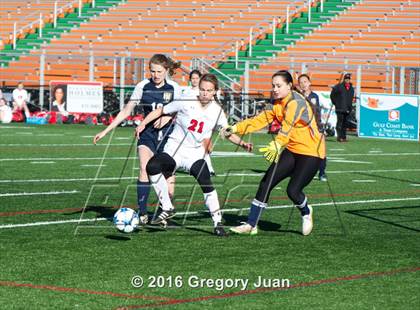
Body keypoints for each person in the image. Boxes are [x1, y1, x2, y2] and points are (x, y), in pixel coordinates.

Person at [135, 73, 253, 237]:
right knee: (152, 166)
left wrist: (243, 144)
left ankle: (217, 223)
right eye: (202, 89)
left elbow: (227, 132)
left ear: (215, 92)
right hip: (175, 149)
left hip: (195, 153)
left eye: (209, 90)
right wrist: (143, 123)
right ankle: (167, 207)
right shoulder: (186, 100)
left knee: (206, 181)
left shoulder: (217, 111)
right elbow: (161, 111)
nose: (205, 93)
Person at [222, 70, 325, 236]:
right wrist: (234, 128)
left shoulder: (296, 102)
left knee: (293, 191)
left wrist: (277, 144)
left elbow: (288, 126)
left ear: (290, 86)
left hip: (311, 152)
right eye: (273, 85)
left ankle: (306, 211)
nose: (275, 89)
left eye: (279, 85)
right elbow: (259, 120)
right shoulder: (276, 103)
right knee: (266, 182)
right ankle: (251, 224)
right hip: (292, 149)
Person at [94, 54, 181, 224]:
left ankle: (165, 209)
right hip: (147, 133)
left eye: (159, 71)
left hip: (168, 136)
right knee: (144, 167)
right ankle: (142, 213)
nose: (155, 75)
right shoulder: (142, 86)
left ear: (167, 71)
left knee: (166, 174)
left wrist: (168, 117)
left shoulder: (174, 88)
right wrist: (106, 131)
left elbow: (181, 109)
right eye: (152, 71)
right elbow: (126, 111)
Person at [298, 74, 327, 181]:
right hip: (302, 129)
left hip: (316, 127)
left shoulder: (315, 96)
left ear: (309, 83)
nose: (303, 84)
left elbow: (316, 111)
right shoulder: (297, 97)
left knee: (321, 151)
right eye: (301, 82)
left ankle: (322, 173)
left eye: (305, 82)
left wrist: (320, 126)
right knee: (301, 151)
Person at [330, 73, 354, 142]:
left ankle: (344, 137)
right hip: (340, 108)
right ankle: (339, 137)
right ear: (344, 79)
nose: (347, 80)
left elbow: (351, 99)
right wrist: (336, 103)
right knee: (339, 123)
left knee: (345, 124)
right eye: (346, 79)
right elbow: (332, 95)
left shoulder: (351, 88)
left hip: (347, 109)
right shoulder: (338, 86)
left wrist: (350, 107)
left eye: (348, 79)